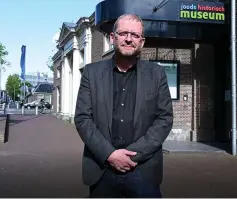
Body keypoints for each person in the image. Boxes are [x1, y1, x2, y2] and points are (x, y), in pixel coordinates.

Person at [74, 13, 173, 198]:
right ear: (112, 38)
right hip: (102, 170)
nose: (129, 39)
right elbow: (82, 118)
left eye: (135, 35)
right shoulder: (91, 73)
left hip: (143, 171)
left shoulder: (157, 74)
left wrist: (132, 156)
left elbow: (164, 119)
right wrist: (110, 154)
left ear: (142, 42)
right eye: (123, 33)